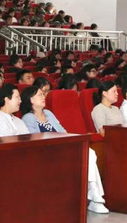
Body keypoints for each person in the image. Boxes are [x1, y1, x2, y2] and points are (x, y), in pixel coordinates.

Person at [20, 86, 109, 214]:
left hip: (62, 148)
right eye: (40, 95)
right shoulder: (28, 117)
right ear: (30, 100)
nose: (44, 97)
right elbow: (35, 140)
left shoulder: (48, 113)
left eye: (43, 94)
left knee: (89, 152)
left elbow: (63, 131)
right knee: (87, 154)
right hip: (46, 153)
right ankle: (95, 197)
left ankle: (94, 193)